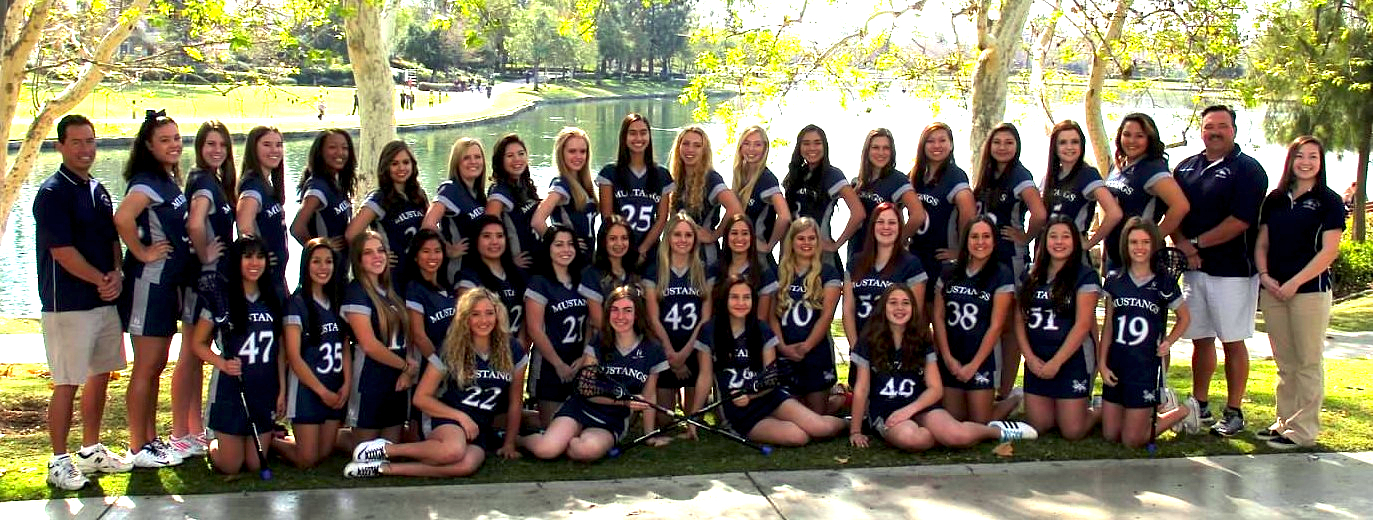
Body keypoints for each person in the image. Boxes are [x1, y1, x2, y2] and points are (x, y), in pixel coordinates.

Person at [34, 114, 132, 489]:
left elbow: (111, 241)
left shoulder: (98, 190)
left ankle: (90, 451)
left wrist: (116, 274)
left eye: (89, 141)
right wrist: (99, 279)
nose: (85, 149)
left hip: (102, 302)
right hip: (68, 305)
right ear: (60, 146)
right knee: (67, 382)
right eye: (76, 142)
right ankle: (58, 461)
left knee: (100, 374)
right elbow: (61, 251)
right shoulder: (52, 193)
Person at [346, 289, 526, 477]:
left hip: (479, 425)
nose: (484, 320)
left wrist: (509, 443)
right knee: (453, 450)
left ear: (498, 314)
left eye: (489, 313)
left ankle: (381, 469)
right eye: (475, 314)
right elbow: (421, 398)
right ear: (465, 317)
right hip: (446, 417)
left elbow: (516, 401)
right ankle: (385, 450)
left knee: (466, 465)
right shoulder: (451, 348)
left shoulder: (511, 348)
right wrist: (461, 417)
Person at [1169, 105, 1268, 436]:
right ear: (1201, 131)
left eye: (1222, 126)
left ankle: (1234, 410)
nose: (1214, 132)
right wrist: (1183, 246)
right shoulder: (1185, 167)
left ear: (1234, 131)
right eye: (1209, 126)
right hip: (1194, 271)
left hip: (1233, 271)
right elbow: (1173, 213)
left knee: (1232, 341)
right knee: (1201, 339)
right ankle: (1201, 404)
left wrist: (1195, 244)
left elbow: (1240, 221)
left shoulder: (1248, 170)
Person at [849, 285, 1037, 451]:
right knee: (915, 439)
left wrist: (910, 410)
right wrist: (855, 431)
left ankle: (997, 431)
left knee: (957, 436)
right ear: (883, 308)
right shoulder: (868, 341)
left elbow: (935, 389)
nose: (900, 308)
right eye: (893, 303)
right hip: (887, 411)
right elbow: (862, 389)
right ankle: (940, 436)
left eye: (906, 303)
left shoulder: (921, 338)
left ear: (913, 308)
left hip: (920, 406)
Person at [1254, 136, 1344, 449]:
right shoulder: (1275, 199)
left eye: (1313, 157)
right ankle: (1284, 423)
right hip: (1274, 291)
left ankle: (1303, 432)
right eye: (1300, 156)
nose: (1306, 162)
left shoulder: (1329, 201)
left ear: (1321, 162)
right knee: (1285, 363)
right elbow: (1262, 244)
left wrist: (1295, 282)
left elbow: (1329, 251)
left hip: (1309, 292)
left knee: (1307, 362)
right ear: (1290, 160)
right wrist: (1265, 276)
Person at [114, 110, 192, 467]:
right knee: (146, 367)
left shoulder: (166, 179)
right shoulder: (145, 182)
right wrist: (142, 252)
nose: (173, 145)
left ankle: (150, 440)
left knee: (157, 364)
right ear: (148, 145)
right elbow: (122, 218)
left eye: (176, 138)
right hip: (149, 282)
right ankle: (137, 445)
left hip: (168, 285)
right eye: (164, 140)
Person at [520, 286, 671, 461]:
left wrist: (649, 435)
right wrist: (623, 401)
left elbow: (649, 395)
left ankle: (566, 440)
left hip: (611, 420)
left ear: (637, 314)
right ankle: (517, 440)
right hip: (581, 408)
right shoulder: (600, 341)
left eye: (627, 310)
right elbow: (587, 390)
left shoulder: (652, 349)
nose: (620, 316)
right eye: (614, 310)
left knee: (585, 451)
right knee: (546, 450)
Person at [698, 276, 846, 446]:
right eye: (734, 297)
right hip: (739, 411)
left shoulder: (761, 328)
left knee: (821, 428)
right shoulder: (710, 330)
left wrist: (752, 395)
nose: (741, 303)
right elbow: (704, 377)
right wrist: (694, 418)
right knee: (798, 437)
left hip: (768, 397)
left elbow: (771, 377)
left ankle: (850, 423)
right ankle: (777, 424)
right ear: (724, 299)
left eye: (746, 297)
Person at [191, 235, 286, 475]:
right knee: (231, 466)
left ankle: (262, 439)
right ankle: (213, 442)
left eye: (260, 257)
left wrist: (282, 390)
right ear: (236, 261)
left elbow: (280, 348)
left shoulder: (273, 298)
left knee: (255, 464)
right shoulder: (222, 298)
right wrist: (222, 363)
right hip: (232, 389)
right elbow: (197, 343)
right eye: (247, 257)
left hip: (264, 388)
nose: (255, 263)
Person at [1099, 218, 1198, 448]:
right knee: (1110, 435)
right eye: (1134, 242)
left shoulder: (1164, 282)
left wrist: (1168, 342)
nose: (1139, 247)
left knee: (1131, 440)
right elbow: (1109, 326)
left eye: (1145, 242)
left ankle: (1184, 411)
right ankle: (1153, 410)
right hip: (1117, 361)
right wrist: (1102, 364)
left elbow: (1184, 318)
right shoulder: (1114, 279)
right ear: (1126, 245)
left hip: (1144, 366)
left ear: (1154, 245)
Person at [169, 120, 236, 458]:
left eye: (222, 145)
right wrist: (204, 253)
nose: (217, 150)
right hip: (200, 281)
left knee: (198, 355)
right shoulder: (202, 181)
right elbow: (195, 223)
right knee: (189, 354)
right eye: (210, 144)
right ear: (199, 147)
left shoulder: (215, 181)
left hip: (214, 281)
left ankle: (194, 429)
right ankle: (179, 432)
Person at [972, 122, 1047, 401]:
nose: (1002, 148)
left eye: (1009, 142)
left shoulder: (1020, 174)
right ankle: (989, 383)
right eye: (997, 142)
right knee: (989, 318)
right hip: (985, 257)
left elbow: (1040, 214)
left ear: (1017, 146)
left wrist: (1025, 236)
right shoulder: (988, 174)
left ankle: (1004, 390)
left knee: (1010, 324)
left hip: (1010, 257)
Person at [1015, 218, 1101, 440]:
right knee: (1039, 426)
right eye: (1053, 236)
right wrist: (1029, 357)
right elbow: (1019, 319)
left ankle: (1100, 410)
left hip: (1072, 359)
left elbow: (1083, 325)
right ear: (1044, 241)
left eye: (1065, 236)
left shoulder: (1085, 275)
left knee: (1072, 431)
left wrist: (1057, 362)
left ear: (1075, 241)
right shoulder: (1031, 274)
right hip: (1038, 357)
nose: (1059, 242)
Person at [932, 216, 1019, 423]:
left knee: (980, 421)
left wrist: (974, 365)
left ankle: (1014, 399)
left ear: (994, 241)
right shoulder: (949, 271)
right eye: (974, 236)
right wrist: (947, 358)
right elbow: (938, 317)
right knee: (955, 420)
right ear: (966, 241)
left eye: (986, 236)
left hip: (982, 357)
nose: (980, 242)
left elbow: (996, 326)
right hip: (952, 353)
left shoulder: (1001, 274)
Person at [279, 239, 349, 468]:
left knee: (324, 453)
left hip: (334, 384)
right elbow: (294, 357)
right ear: (306, 265)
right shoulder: (297, 303)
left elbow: (345, 346)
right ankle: (272, 441)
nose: (323, 267)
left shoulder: (336, 300)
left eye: (328, 261)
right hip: (307, 389)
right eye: (316, 261)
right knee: (307, 459)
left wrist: (347, 384)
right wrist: (321, 391)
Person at [343, 230, 415, 446]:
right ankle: (330, 441)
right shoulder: (356, 291)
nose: (377, 256)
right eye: (368, 253)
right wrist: (406, 367)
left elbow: (406, 335)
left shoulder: (391, 290)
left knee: (388, 450)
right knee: (366, 451)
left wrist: (407, 367)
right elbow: (369, 345)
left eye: (380, 250)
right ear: (358, 259)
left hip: (397, 379)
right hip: (370, 378)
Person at [643, 212, 714, 433]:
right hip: (666, 348)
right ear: (668, 237)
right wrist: (671, 354)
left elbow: (705, 317)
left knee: (693, 414)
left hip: (693, 347)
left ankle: (693, 394)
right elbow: (653, 318)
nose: (683, 240)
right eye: (677, 234)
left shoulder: (703, 270)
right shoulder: (655, 270)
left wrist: (684, 353)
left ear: (695, 239)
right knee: (665, 422)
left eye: (688, 235)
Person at [843, 202, 927, 385]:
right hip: (862, 347)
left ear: (900, 227)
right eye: (880, 222)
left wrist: (896, 350)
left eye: (892, 222)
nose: (886, 227)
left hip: (893, 352)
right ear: (872, 226)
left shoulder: (911, 265)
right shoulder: (856, 262)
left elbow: (915, 314)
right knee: (862, 399)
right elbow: (848, 310)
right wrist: (857, 348)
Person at [526, 225, 600, 426]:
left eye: (570, 244)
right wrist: (558, 364)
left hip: (578, 359)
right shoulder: (539, 282)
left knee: (577, 423)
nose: (565, 249)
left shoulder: (581, 279)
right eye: (559, 245)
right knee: (552, 426)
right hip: (550, 364)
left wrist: (585, 356)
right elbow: (534, 329)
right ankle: (516, 422)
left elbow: (590, 322)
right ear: (548, 248)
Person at [771, 217, 843, 414]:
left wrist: (806, 347)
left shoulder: (829, 273)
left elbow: (827, 316)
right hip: (785, 350)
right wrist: (783, 347)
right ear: (791, 241)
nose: (806, 243)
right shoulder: (779, 273)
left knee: (816, 415)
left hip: (815, 352)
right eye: (801, 238)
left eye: (812, 238)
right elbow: (771, 316)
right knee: (791, 415)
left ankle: (840, 401)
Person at [1103, 113, 1190, 276]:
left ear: (1150, 139)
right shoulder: (1118, 166)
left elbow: (1181, 206)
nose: (1132, 141)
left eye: (1139, 136)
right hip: (1115, 254)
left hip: (1140, 258)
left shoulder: (1153, 170)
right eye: (1127, 134)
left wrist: (1153, 237)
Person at [908, 122, 975, 308]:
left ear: (951, 144)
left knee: (937, 312)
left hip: (941, 259)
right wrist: (901, 240)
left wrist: (961, 251)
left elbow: (969, 215)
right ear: (922, 145)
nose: (936, 145)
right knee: (916, 314)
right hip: (917, 255)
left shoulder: (955, 176)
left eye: (942, 140)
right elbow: (895, 204)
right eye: (930, 141)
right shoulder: (915, 174)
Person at [347, 140, 429, 293]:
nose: (401, 168)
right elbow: (351, 234)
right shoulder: (379, 199)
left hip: (419, 270)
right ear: (386, 167)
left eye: (406, 162)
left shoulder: (418, 195)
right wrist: (377, 252)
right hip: (394, 275)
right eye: (394, 163)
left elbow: (430, 230)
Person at [784, 125, 865, 270]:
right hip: (795, 255)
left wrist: (836, 244)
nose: (812, 148)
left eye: (817, 143)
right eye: (806, 143)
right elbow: (787, 219)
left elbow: (858, 213)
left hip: (822, 256)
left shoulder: (833, 175)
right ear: (799, 147)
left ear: (824, 146)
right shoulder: (796, 174)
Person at [597, 114, 674, 265]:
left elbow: (661, 219)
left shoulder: (661, 175)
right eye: (632, 133)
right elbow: (607, 218)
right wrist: (623, 248)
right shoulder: (610, 173)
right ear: (624, 137)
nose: (638, 138)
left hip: (649, 252)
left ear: (649, 136)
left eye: (643, 133)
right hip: (616, 251)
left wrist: (642, 250)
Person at [1041, 121, 1122, 262]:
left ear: (1082, 145)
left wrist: (1089, 243)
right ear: (1055, 147)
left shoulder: (1088, 175)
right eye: (1063, 142)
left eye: (1074, 142)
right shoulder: (1049, 177)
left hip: (1073, 257)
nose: (1069, 147)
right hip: (1046, 253)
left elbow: (1115, 213)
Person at [668, 125, 743, 265]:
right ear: (678, 147)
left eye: (697, 145)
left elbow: (736, 209)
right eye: (686, 144)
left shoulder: (711, 179)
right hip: (678, 256)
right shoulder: (676, 178)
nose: (690, 149)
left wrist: (714, 235)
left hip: (705, 258)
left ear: (704, 151)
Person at [848, 128, 925, 264]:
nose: (881, 153)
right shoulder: (858, 181)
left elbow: (918, 215)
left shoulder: (898, 180)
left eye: (886, 148)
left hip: (883, 255)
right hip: (857, 250)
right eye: (875, 148)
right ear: (867, 150)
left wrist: (897, 242)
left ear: (892, 152)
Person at [422, 137, 488, 280]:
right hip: (458, 273)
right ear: (457, 162)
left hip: (478, 270)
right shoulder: (450, 189)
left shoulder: (478, 194)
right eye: (466, 158)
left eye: (477, 157)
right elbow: (428, 225)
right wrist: (447, 249)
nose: (473, 161)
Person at [237, 126, 289, 298]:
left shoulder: (267, 185)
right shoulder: (252, 185)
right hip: (264, 282)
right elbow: (244, 228)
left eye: (278, 145)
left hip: (277, 278)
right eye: (267, 145)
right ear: (253, 149)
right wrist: (259, 257)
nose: (275, 150)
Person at [457, 216, 528, 342]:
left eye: (500, 236)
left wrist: (520, 346)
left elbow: (528, 317)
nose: (494, 241)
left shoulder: (518, 274)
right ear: (476, 240)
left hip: (517, 349)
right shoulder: (468, 278)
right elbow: (467, 323)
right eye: (487, 236)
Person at [532, 127, 598, 258]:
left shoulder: (584, 184)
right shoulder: (561, 184)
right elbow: (537, 221)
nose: (578, 156)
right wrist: (561, 243)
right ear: (561, 154)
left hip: (587, 260)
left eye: (583, 151)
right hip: (570, 261)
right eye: (572, 151)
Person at [291, 129, 357, 258]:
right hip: (324, 268)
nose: (340, 152)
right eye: (332, 147)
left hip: (340, 265)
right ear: (320, 152)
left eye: (345, 148)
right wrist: (319, 248)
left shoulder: (337, 182)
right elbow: (297, 228)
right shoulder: (317, 187)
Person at [732, 125, 791, 264]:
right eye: (747, 143)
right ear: (740, 147)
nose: (751, 149)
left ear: (765, 148)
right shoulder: (740, 174)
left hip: (758, 257)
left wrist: (769, 245)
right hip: (738, 252)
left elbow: (784, 216)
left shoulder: (767, 179)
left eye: (757, 144)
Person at [485, 134, 541, 269]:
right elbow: (488, 233)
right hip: (519, 268)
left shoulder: (524, 185)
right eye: (510, 156)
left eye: (521, 154)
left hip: (537, 259)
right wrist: (508, 261)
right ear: (500, 161)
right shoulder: (499, 192)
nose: (517, 159)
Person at [711, 214, 780, 321]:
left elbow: (762, 318)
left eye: (745, 233)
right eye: (734, 233)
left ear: (752, 238)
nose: (739, 238)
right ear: (726, 236)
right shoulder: (714, 269)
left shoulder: (763, 273)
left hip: (751, 330)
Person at [582, 216, 641, 303]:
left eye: (624, 238)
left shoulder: (635, 272)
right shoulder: (591, 275)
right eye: (613, 238)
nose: (619, 243)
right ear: (603, 241)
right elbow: (596, 312)